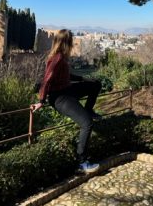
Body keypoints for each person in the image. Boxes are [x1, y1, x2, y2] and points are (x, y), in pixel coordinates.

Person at [31, 29, 102, 173]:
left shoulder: (61, 58)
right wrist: (41, 100)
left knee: (96, 84)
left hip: (68, 91)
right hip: (59, 98)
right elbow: (47, 80)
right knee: (87, 123)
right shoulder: (57, 59)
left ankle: (88, 109)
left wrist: (84, 79)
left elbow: (67, 75)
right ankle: (82, 163)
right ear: (66, 43)